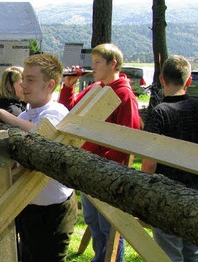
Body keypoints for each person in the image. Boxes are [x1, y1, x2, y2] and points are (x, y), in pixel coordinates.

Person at [0, 53, 77, 262]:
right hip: (27, 204)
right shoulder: (24, 115)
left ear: (50, 85)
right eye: (23, 78)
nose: (23, 84)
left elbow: (42, 136)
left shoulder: (56, 112)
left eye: (30, 79)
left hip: (53, 211)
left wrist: (0, 114)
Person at [58, 43, 141, 262]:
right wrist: (68, 86)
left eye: (97, 63)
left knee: (109, 227)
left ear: (113, 64)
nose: (92, 68)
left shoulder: (124, 95)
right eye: (92, 62)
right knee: (93, 222)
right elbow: (68, 112)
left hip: (108, 173)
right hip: (88, 169)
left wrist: (104, 167)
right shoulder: (95, 88)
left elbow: (128, 138)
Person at [141, 55, 198, 262]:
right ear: (188, 81)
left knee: (169, 255)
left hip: (165, 197)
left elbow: (149, 163)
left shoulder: (159, 114)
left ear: (161, 79)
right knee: (194, 253)